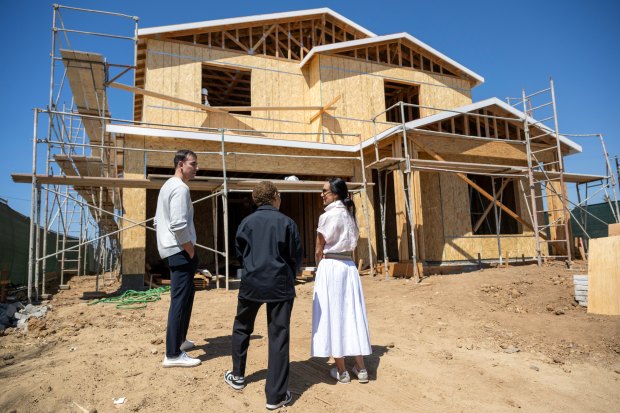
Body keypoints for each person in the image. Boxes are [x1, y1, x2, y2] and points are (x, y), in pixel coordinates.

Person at [224, 181, 303, 410]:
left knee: (242, 326)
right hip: (279, 284)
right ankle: (275, 397)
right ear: (275, 196)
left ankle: (238, 376)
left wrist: (252, 266)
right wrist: (288, 271)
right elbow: (296, 256)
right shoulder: (287, 222)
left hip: (252, 283)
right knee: (278, 335)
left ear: (255, 198)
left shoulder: (246, 223)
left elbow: (239, 252)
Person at [311, 178, 372, 384]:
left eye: (325, 191)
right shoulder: (349, 214)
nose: (322, 194)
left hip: (332, 267)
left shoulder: (328, 216)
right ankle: (361, 369)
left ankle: (342, 371)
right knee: (352, 314)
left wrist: (320, 268)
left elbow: (319, 248)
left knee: (333, 315)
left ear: (335, 193)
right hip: (349, 267)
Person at [154, 149, 201, 368]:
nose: (196, 168)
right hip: (180, 251)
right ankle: (172, 354)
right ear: (181, 164)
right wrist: (189, 249)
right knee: (179, 301)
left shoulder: (167, 186)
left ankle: (180, 341)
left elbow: (157, 221)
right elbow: (179, 224)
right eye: (193, 164)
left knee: (185, 296)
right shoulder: (180, 189)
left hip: (173, 249)